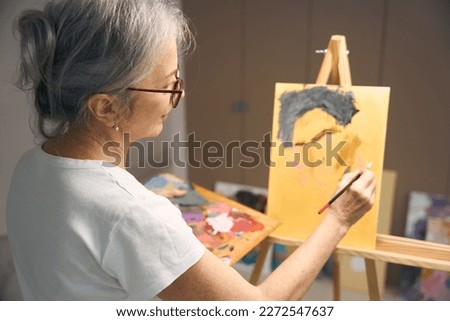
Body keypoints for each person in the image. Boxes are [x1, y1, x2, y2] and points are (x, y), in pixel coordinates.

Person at [6, 0, 376, 300]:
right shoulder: (131, 213)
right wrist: (339, 217)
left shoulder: (29, 168)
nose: (180, 95)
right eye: (168, 84)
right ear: (107, 108)